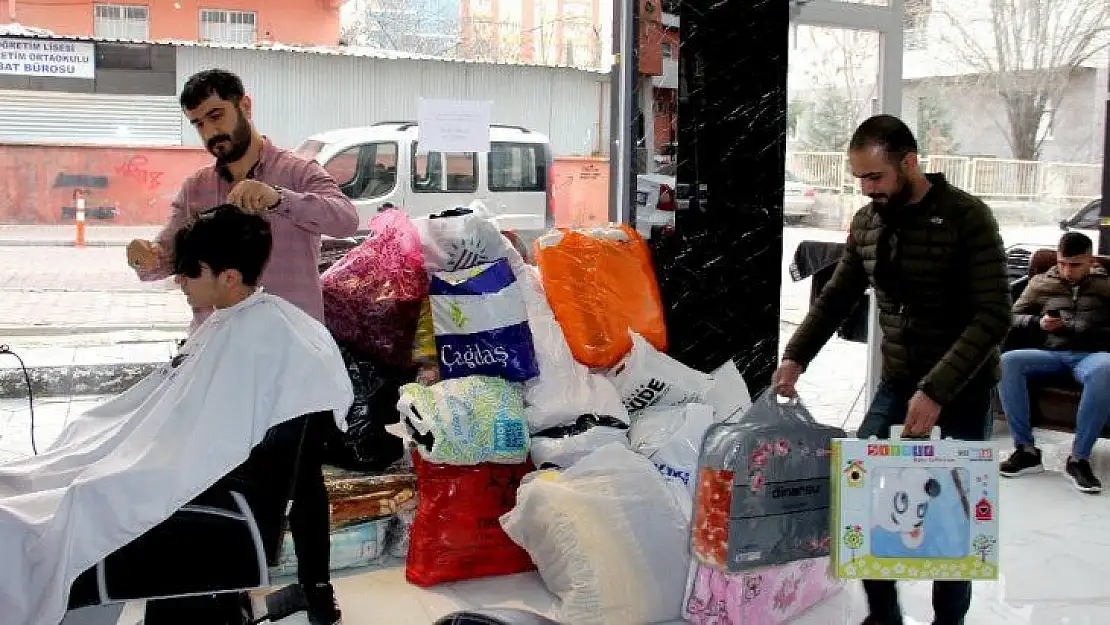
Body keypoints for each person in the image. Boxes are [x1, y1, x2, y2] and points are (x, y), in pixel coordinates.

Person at [6, 206, 353, 625]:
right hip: (180, 465)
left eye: (190, 273)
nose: (179, 282)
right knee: (47, 474)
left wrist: (123, 460)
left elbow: (204, 445)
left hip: (208, 488)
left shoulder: (260, 336)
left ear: (228, 277)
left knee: (54, 511)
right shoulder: (245, 323)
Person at [127, 69, 358, 625]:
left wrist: (279, 199)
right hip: (222, 356)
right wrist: (146, 257)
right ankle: (222, 587)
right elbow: (169, 256)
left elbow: (345, 217)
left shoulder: (294, 170)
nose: (210, 131)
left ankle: (315, 590)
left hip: (288, 361)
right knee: (219, 471)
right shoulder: (197, 190)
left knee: (298, 479)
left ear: (243, 105)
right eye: (198, 123)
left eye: (217, 115)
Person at [773, 115, 1011, 625]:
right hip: (898, 382)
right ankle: (883, 616)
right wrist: (795, 357)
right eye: (860, 178)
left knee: (956, 512)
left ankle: (949, 620)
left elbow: (993, 315)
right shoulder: (868, 222)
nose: (867, 189)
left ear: (909, 162)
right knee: (862, 497)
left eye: (875, 177)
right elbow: (836, 296)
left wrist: (936, 391)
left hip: (964, 389)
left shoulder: (969, 218)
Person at [998, 232, 1110, 493]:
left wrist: (1078, 326)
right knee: (1008, 362)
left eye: (1075, 265)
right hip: (1052, 354)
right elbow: (1011, 316)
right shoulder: (1040, 283)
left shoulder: (1106, 285)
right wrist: (1038, 322)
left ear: (1090, 260)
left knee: (1106, 367)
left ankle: (1079, 459)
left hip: (1093, 356)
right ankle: (1025, 451)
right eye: (1062, 263)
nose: (1067, 271)